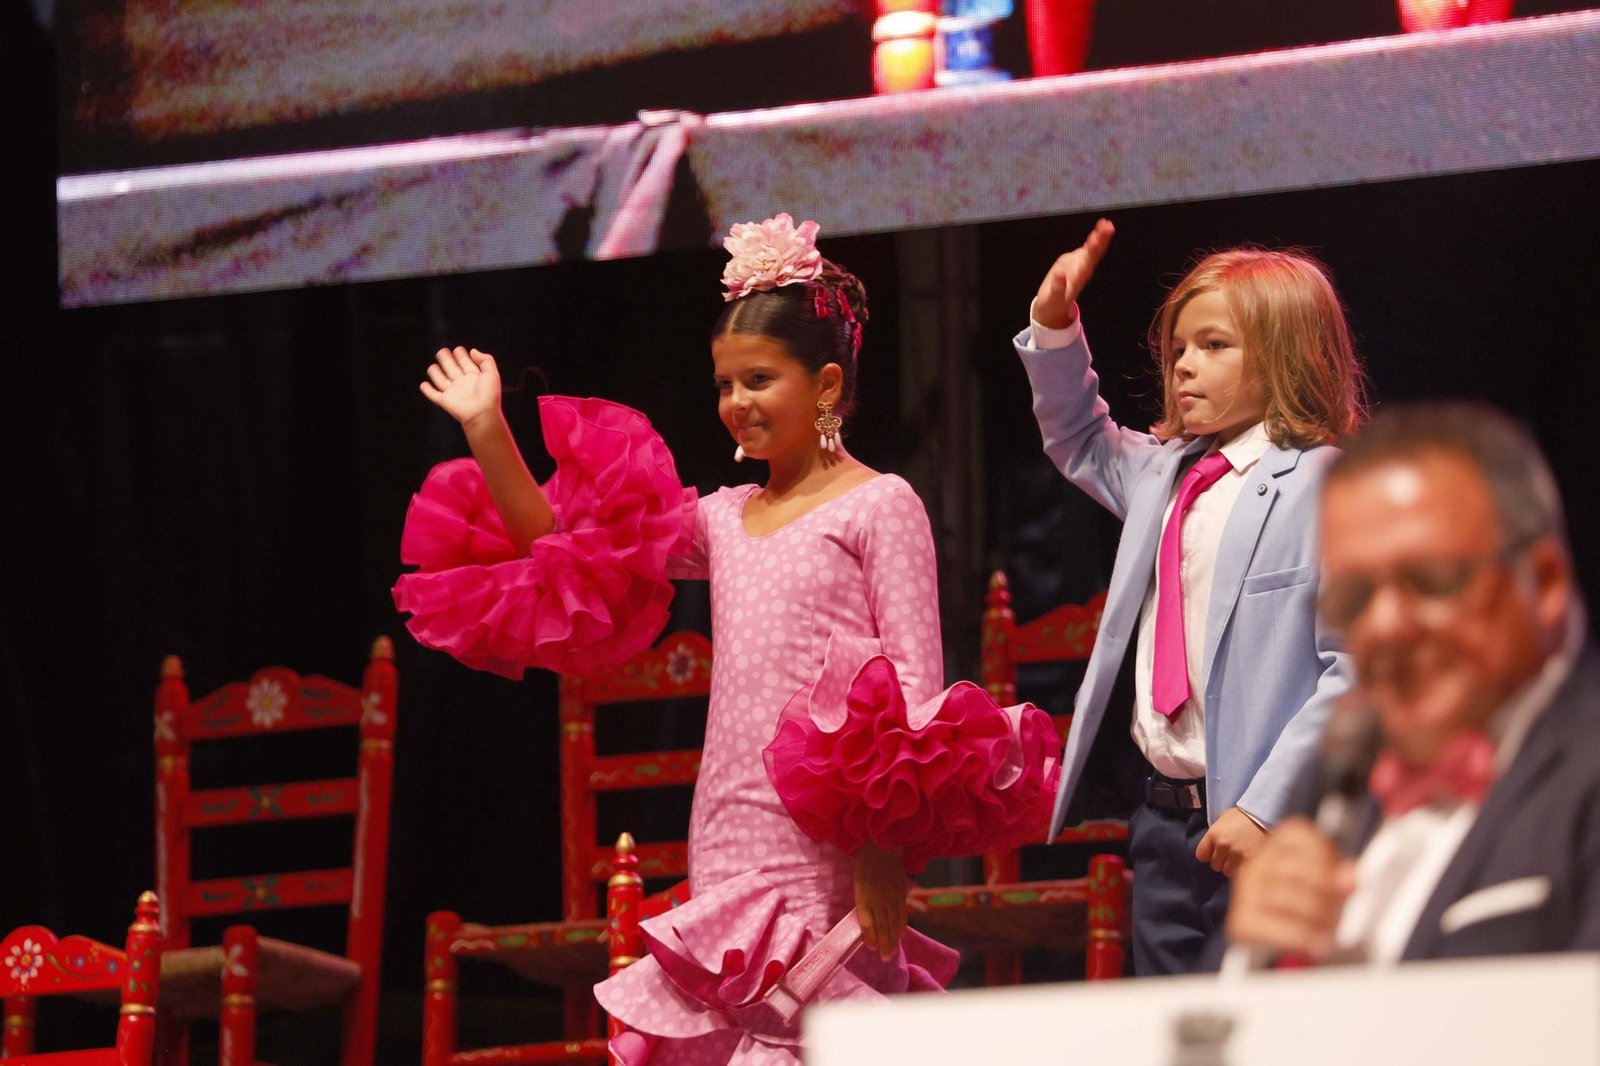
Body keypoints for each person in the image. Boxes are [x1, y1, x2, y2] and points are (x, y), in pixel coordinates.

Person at [393, 214, 1059, 1064]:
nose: (736, 403)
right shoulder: (722, 518)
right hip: (727, 823)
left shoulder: (879, 504)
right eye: (723, 384)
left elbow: (920, 696)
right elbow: (565, 542)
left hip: (826, 840)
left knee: (809, 1031)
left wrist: (884, 851)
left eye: (758, 379)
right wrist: (487, 429)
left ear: (824, 386)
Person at [1013, 220, 1366, 974]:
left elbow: (1353, 671)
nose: (1184, 368)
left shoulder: (1324, 483)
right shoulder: (1164, 476)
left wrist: (1265, 808)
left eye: (1214, 347)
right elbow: (1078, 435)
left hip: (1266, 827)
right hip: (1162, 826)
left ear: (1285, 353)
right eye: (1177, 349)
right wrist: (1054, 326)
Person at [1224, 402, 1598, 965]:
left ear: (1543, 584)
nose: (1384, 626)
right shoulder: (1333, 775)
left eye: (1430, 581)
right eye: (1355, 599)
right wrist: (1248, 956)